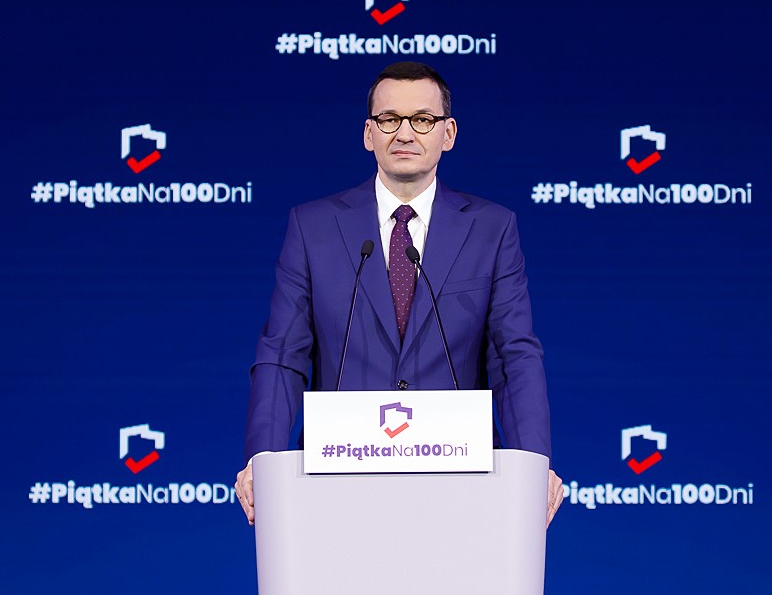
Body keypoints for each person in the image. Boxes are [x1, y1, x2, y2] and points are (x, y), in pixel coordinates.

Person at [235, 61, 563, 527]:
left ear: (448, 133)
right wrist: (263, 459)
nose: (404, 133)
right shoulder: (313, 227)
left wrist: (532, 463)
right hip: (338, 480)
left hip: (460, 483)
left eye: (422, 120)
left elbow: (514, 357)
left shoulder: (492, 229)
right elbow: (282, 355)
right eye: (389, 119)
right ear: (368, 133)